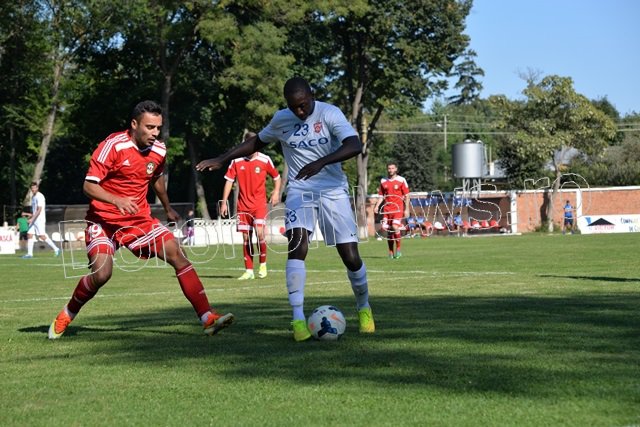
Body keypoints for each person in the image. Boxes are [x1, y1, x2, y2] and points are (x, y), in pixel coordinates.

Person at [197, 77, 374, 342]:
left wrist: (321, 162)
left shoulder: (329, 113)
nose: (299, 112)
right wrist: (222, 159)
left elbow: (354, 145)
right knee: (297, 246)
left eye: (302, 106)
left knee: (349, 255)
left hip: (333, 189)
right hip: (300, 190)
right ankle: (298, 320)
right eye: (294, 107)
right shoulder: (282, 119)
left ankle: (364, 308)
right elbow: (257, 142)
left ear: (311, 96)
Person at [47, 100, 233, 340]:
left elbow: (156, 178)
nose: (154, 133)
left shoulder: (159, 150)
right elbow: (88, 186)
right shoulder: (112, 146)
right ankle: (68, 313)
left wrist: (167, 208)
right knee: (102, 274)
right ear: (134, 124)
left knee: (176, 253)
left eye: (158, 128)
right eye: (149, 127)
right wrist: (116, 200)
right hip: (103, 223)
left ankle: (207, 317)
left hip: (138, 222)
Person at [220, 133, 281, 280]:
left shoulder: (265, 160)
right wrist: (224, 202)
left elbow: (277, 177)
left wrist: (276, 192)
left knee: (260, 233)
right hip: (243, 206)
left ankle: (263, 264)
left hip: (259, 205)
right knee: (246, 238)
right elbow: (229, 181)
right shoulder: (236, 161)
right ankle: (249, 271)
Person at [373, 162, 410, 258]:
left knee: (394, 226)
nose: (391, 170)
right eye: (389, 168)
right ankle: (390, 251)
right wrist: (377, 206)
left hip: (398, 208)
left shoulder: (401, 180)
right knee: (388, 230)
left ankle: (398, 249)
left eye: (392, 168)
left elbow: (407, 196)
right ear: (387, 169)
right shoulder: (383, 181)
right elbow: (381, 196)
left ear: (396, 169)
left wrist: (406, 209)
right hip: (387, 209)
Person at [21, 182, 60, 259]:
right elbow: (35, 210)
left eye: (34, 188)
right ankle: (29, 254)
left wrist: (32, 218)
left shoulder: (40, 196)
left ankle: (56, 249)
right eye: (32, 188)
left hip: (39, 219)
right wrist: (30, 216)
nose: (33, 189)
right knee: (29, 234)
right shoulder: (33, 197)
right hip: (34, 219)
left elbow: (39, 210)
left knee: (41, 236)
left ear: (37, 188)